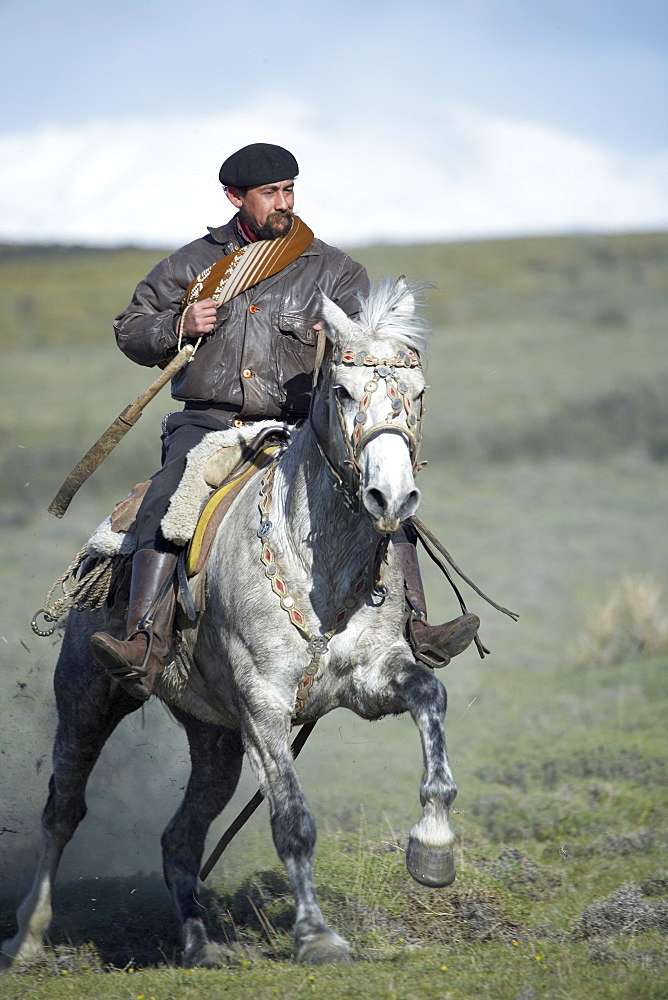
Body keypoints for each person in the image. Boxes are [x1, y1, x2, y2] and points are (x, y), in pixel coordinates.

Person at [90, 142, 479, 700]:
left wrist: (346, 345)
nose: (283, 202)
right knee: (167, 497)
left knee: (385, 498)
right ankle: (144, 642)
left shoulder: (335, 270)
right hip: (210, 423)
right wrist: (177, 325)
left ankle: (415, 626)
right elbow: (131, 328)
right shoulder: (191, 265)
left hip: (305, 428)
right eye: (270, 193)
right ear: (235, 198)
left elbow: (371, 345)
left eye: (289, 190)